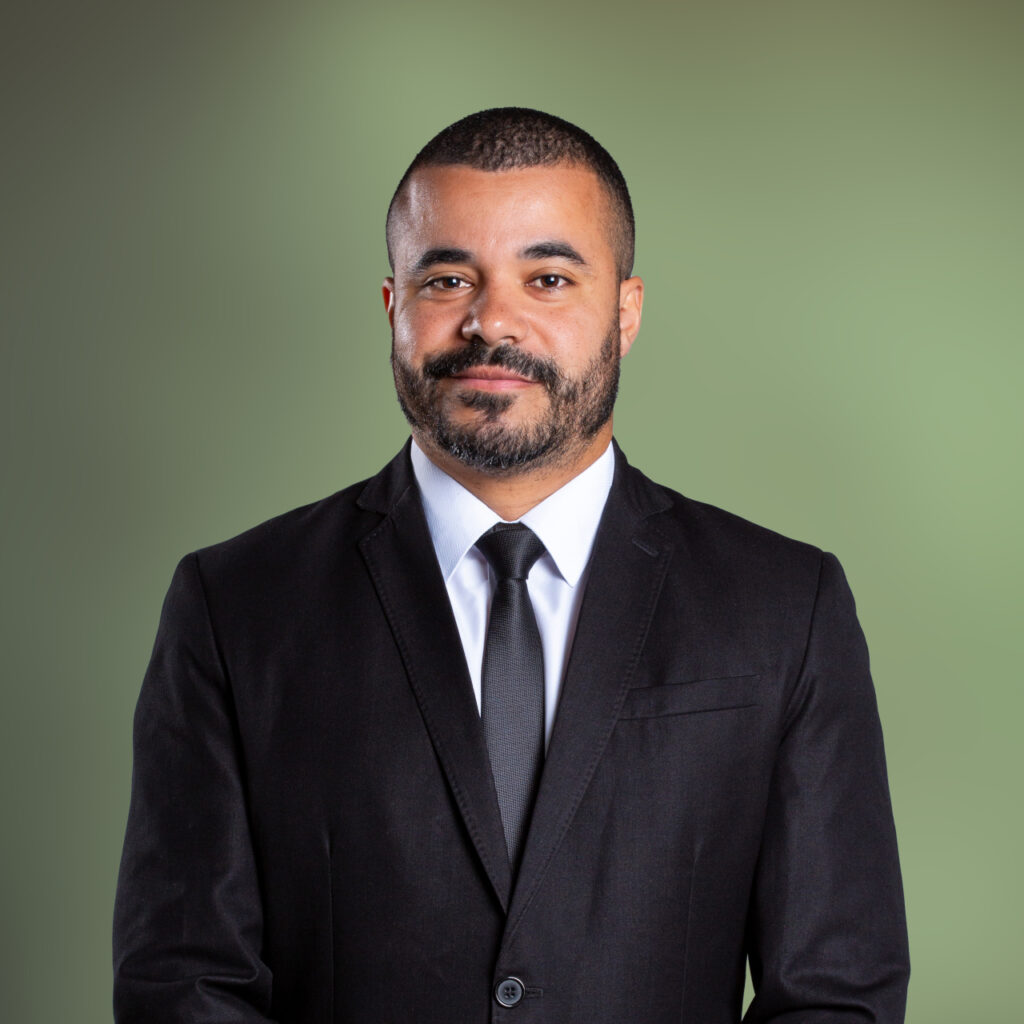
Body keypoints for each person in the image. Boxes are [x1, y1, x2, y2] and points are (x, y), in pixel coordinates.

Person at [113, 108, 910, 1023]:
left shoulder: (785, 607)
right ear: (393, 306)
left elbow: (836, 992)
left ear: (626, 312)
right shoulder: (235, 606)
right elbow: (183, 985)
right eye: (448, 279)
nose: (491, 320)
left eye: (549, 278)